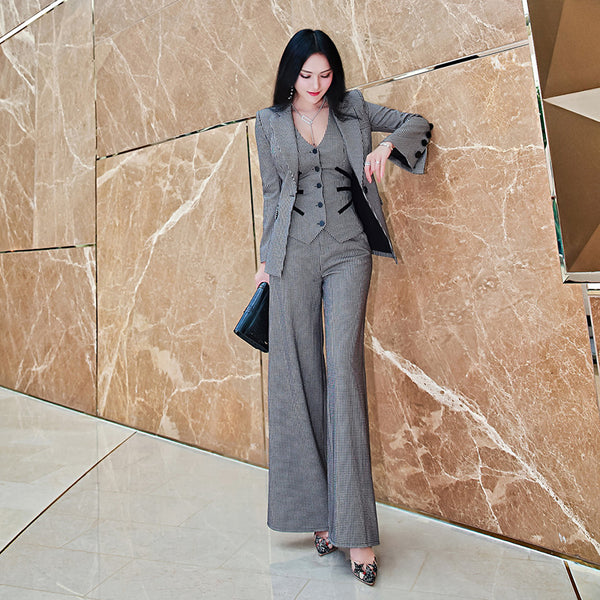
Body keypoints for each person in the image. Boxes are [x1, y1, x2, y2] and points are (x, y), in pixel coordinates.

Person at [254, 29, 432, 586]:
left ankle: (357, 532)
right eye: (306, 76)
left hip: (349, 251)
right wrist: (265, 261)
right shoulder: (268, 122)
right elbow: (271, 194)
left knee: (345, 376)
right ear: (290, 75)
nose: (316, 85)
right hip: (291, 255)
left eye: (325, 74)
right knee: (299, 376)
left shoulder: (353, 109)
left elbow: (415, 122)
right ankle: (319, 516)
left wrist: (385, 147)